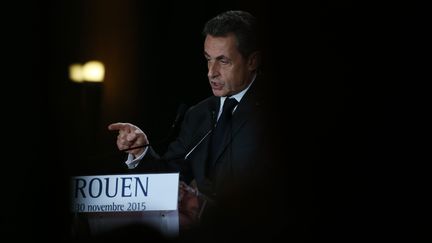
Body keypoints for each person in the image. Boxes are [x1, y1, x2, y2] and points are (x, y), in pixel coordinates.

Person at [108, 10, 273, 229]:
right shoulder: (198, 114)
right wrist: (141, 152)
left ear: (252, 61)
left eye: (223, 61)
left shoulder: (273, 113)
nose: (211, 73)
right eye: (208, 60)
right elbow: (172, 179)